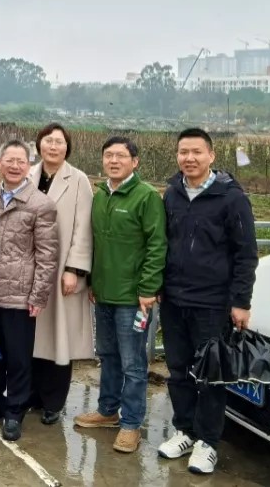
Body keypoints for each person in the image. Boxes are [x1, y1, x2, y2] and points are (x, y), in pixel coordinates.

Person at [157, 127, 258, 475]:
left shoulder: (232, 198)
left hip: (212, 304)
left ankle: (208, 442)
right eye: (183, 152)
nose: (189, 158)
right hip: (174, 299)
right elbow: (164, 243)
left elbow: (246, 254)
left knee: (211, 375)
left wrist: (241, 302)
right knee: (178, 369)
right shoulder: (172, 194)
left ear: (211, 156)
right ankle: (185, 430)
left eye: (196, 152)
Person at [73, 136, 166, 454]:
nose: (113, 161)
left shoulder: (146, 196)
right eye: (109, 155)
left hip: (133, 299)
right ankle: (107, 410)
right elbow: (95, 243)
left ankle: (131, 424)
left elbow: (157, 245)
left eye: (121, 156)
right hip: (103, 294)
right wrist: (93, 283)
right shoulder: (100, 195)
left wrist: (148, 288)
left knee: (133, 363)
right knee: (108, 356)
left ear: (134, 162)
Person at [0, 139, 58, 441]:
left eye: (21, 161)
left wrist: (39, 295)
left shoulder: (41, 204)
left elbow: (47, 255)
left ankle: (15, 410)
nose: (15, 166)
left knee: (19, 358)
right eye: (9, 160)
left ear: (29, 166)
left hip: (20, 295)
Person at [26, 123, 94, 426]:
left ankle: (53, 401)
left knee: (58, 336)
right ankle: (30, 394)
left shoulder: (78, 180)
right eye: (48, 141)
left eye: (59, 142)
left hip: (61, 271)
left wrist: (73, 269)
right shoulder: (28, 175)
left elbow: (83, 228)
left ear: (67, 148)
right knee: (31, 336)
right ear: (39, 144)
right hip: (30, 269)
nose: (53, 146)